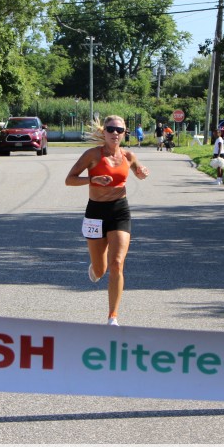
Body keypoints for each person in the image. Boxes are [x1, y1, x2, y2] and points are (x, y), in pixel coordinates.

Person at [65, 115, 149, 326]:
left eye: (119, 130)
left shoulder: (128, 156)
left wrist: (142, 173)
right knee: (100, 270)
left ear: (124, 133)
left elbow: (139, 173)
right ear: (104, 132)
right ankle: (95, 268)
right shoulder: (92, 155)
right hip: (95, 213)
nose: (115, 133)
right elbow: (69, 180)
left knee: (117, 263)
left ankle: (113, 317)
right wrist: (92, 179)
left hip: (120, 211)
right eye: (111, 129)